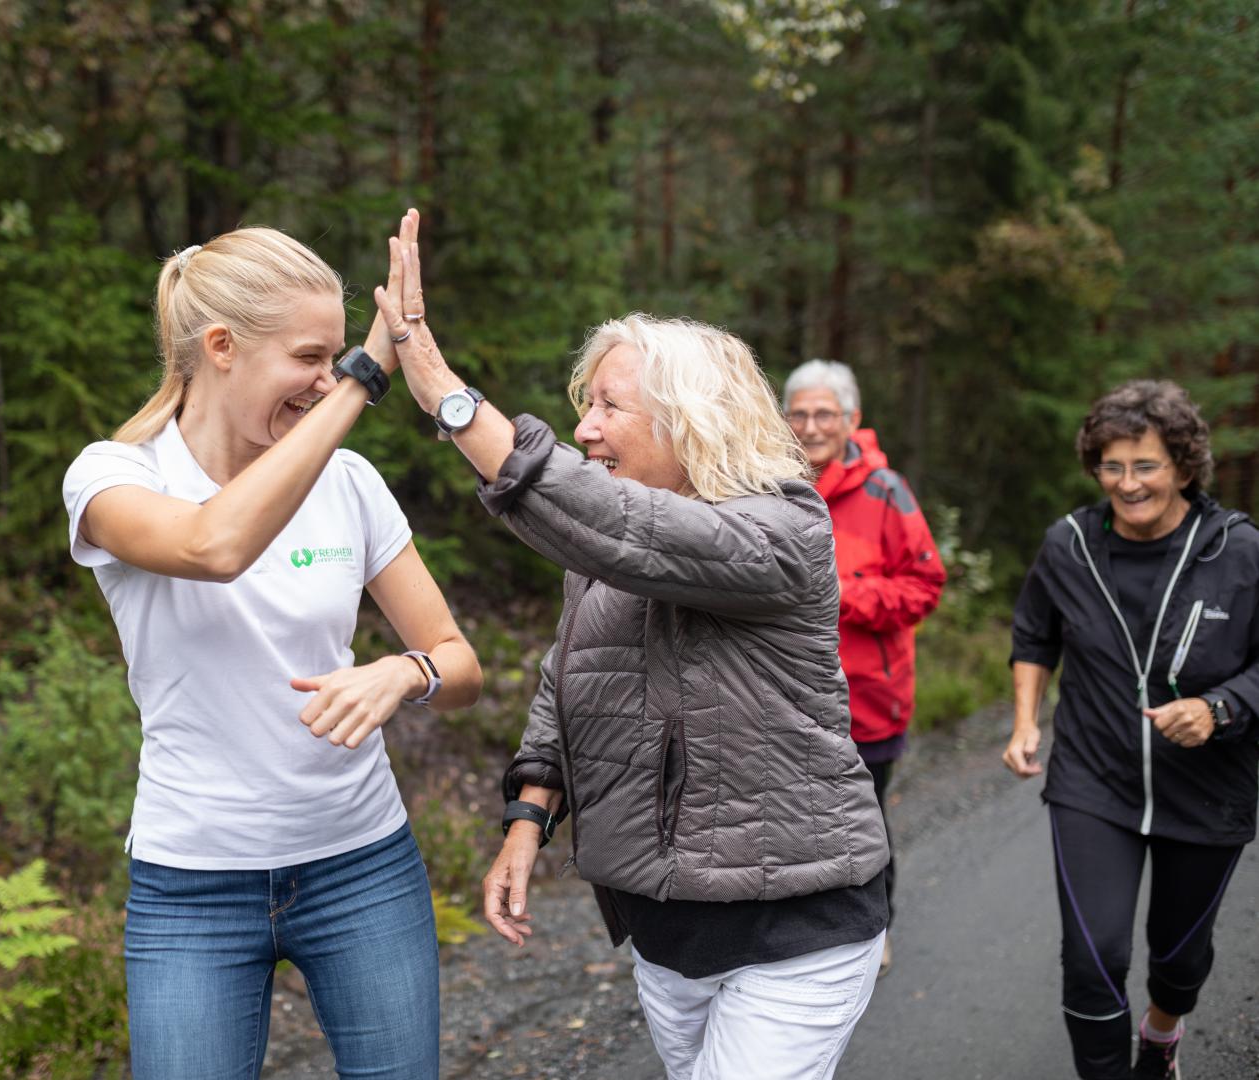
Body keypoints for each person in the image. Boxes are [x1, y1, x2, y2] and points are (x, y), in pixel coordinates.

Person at [373, 211, 889, 1080]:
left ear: (692, 419)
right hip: (663, 931)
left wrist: (440, 387)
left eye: (611, 407)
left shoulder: (784, 529)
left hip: (798, 926)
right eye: (587, 407)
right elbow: (568, 684)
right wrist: (528, 818)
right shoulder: (604, 555)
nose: (587, 429)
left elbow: (615, 521)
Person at [62, 218, 481, 1079]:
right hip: (193, 886)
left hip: (363, 864)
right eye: (308, 358)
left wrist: (405, 672)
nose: (325, 379)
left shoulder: (351, 484)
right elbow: (215, 547)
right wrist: (363, 382)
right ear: (221, 346)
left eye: (336, 357)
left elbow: (459, 662)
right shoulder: (114, 476)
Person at [1003, 380, 1259, 1080]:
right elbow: (1033, 637)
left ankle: (1162, 1034)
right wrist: (1027, 721)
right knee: (1094, 959)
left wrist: (1219, 709)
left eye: (1145, 465)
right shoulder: (1069, 545)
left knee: (1179, 961)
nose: (1128, 482)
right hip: (1094, 781)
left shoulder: (1238, 551)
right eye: (1112, 466)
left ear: (1182, 466)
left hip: (1207, 791)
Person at [782, 359, 945, 974]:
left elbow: (925, 584)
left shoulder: (886, 490)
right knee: (795, 818)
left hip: (868, 696)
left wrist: (845, 592)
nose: (811, 425)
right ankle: (803, 931)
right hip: (786, 696)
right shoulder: (769, 482)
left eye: (825, 413)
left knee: (863, 820)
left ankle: (875, 927)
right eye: (799, 413)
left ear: (852, 419)